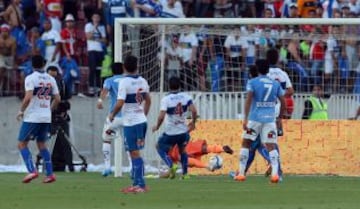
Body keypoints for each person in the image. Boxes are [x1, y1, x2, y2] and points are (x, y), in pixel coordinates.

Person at [234, 59, 285, 183]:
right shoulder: (275, 84)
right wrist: (279, 118)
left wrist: (245, 118)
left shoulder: (253, 82)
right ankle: (275, 175)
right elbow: (283, 102)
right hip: (270, 120)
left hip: (255, 119)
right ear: (268, 70)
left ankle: (241, 174)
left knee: (246, 143)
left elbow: (249, 100)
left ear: (257, 69)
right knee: (271, 146)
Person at [109, 55, 151, 193]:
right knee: (136, 152)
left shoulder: (124, 82)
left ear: (124, 67)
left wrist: (112, 114)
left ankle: (139, 184)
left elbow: (120, 103)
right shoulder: (143, 81)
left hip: (131, 122)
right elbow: (148, 100)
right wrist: (143, 114)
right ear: (137, 66)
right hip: (141, 121)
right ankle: (138, 183)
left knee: (134, 153)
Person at [16, 55, 61, 183]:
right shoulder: (51, 79)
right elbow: (57, 99)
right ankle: (50, 174)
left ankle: (32, 171)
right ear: (43, 64)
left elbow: (28, 97)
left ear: (32, 65)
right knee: (42, 144)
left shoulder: (30, 78)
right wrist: (49, 110)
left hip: (32, 117)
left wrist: (21, 111)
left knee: (22, 144)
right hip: (46, 117)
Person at [152, 76, 198, 179]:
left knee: (158, 146)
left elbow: (161, 116)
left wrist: (157, 126)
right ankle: (185, 174)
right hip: (183, 132)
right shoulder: (186, 97)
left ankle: (171, 165)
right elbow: (194, 111)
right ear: (180, 85)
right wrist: (193, 122)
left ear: (169, 86)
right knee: (183, 150)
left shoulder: (166, 99)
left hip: (171, 133)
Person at [96, 62, 124, 177]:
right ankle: (133, 167)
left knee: (107, 139)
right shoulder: (127, 80)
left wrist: (100, 101)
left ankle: (107, 167)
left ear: (112, 71)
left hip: (114, 116)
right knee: (129, 143)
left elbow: (105, 91)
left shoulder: (109, 81)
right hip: (128, 117)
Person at [46, 65, 73, 172]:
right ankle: (49, 164)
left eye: (54, 77)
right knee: (48, 142)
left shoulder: (62, 83)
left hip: (60, 116)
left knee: (65, 141)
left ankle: (68, 165)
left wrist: (63, 109)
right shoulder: (44, 85)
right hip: (48, 116)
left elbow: (67, 99)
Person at [167, 139, 233, 172]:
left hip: (182, 152)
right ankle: (221, 148)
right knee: (203, 149)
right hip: (186, 147)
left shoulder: (167, 156)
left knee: (187, 160)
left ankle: (208, 166)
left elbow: (172, 169)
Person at [0, 24, 16, 95]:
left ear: (8, 32)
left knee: (10, 76)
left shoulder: (12, 40)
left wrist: (13, 62)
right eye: (3, 31)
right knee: (1, 68)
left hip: (9, 57)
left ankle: (7, 90)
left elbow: (13, 53)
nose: (4, 33)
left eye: (5, 31)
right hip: (1, 56)